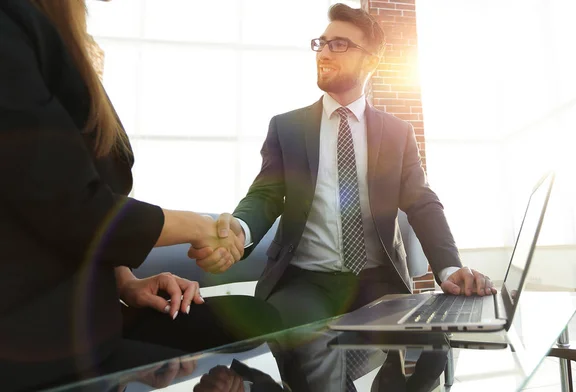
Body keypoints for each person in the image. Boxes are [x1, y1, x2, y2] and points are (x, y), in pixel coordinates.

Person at [0, 1, 279, 391]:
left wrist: (126, 281)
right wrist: (197, 226)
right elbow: (68, 203)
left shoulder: (53, 30)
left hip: (93, 312)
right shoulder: (12, 24)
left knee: (253, 317)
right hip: (41, 336)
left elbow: (51, 194)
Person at [190, 3, 497, 329]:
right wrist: (240, 228)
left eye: (339, 44)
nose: (323, 53)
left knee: (418, 362)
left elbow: (421, 202)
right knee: (300, 359)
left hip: (379, 281)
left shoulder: (397, 133)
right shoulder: (287, 128)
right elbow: (265, 196)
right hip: (303, 282)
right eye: (321, 43)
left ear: (371, 60)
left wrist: (450, 268)